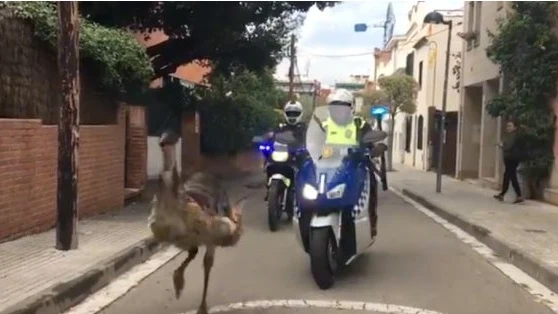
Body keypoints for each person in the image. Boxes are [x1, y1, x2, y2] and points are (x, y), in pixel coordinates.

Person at [322, 89, 378, 238]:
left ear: (351, 108)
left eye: (343, 107)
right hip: (328, 167)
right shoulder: (324, 125)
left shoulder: (360, 124)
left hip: (354, 165)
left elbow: (370, 142)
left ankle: (371, 222)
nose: (339, 111)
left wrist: (370, 150)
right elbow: (312, 142)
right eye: (335, 107)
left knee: (371, 182)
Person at [263, 100, 308, 200]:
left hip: (295, 157)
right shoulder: (279, 127)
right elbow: (270, 136)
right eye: (290, 113)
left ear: (300, 114)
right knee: (268, 161)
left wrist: (309, 146)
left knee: (306, 168)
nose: (292, 116)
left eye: (295, 113)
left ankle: (303, 194)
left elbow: (312, 139)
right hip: (281, 155)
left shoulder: (304, 128)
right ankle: (269, 188)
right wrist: (265, 141)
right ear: (285, 113)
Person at [494, 120, 525, 204]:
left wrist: (501, 145)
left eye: (510, 126)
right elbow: (505, 143)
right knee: (507, 176)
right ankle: (502, 194)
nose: (508, 128)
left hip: (512, 159)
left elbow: (508, 146)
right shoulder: (508, 135)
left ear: (515, 127)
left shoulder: (514, 136)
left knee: (512, 176)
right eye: (507, 126)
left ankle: (519, 196)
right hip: (508, 158)